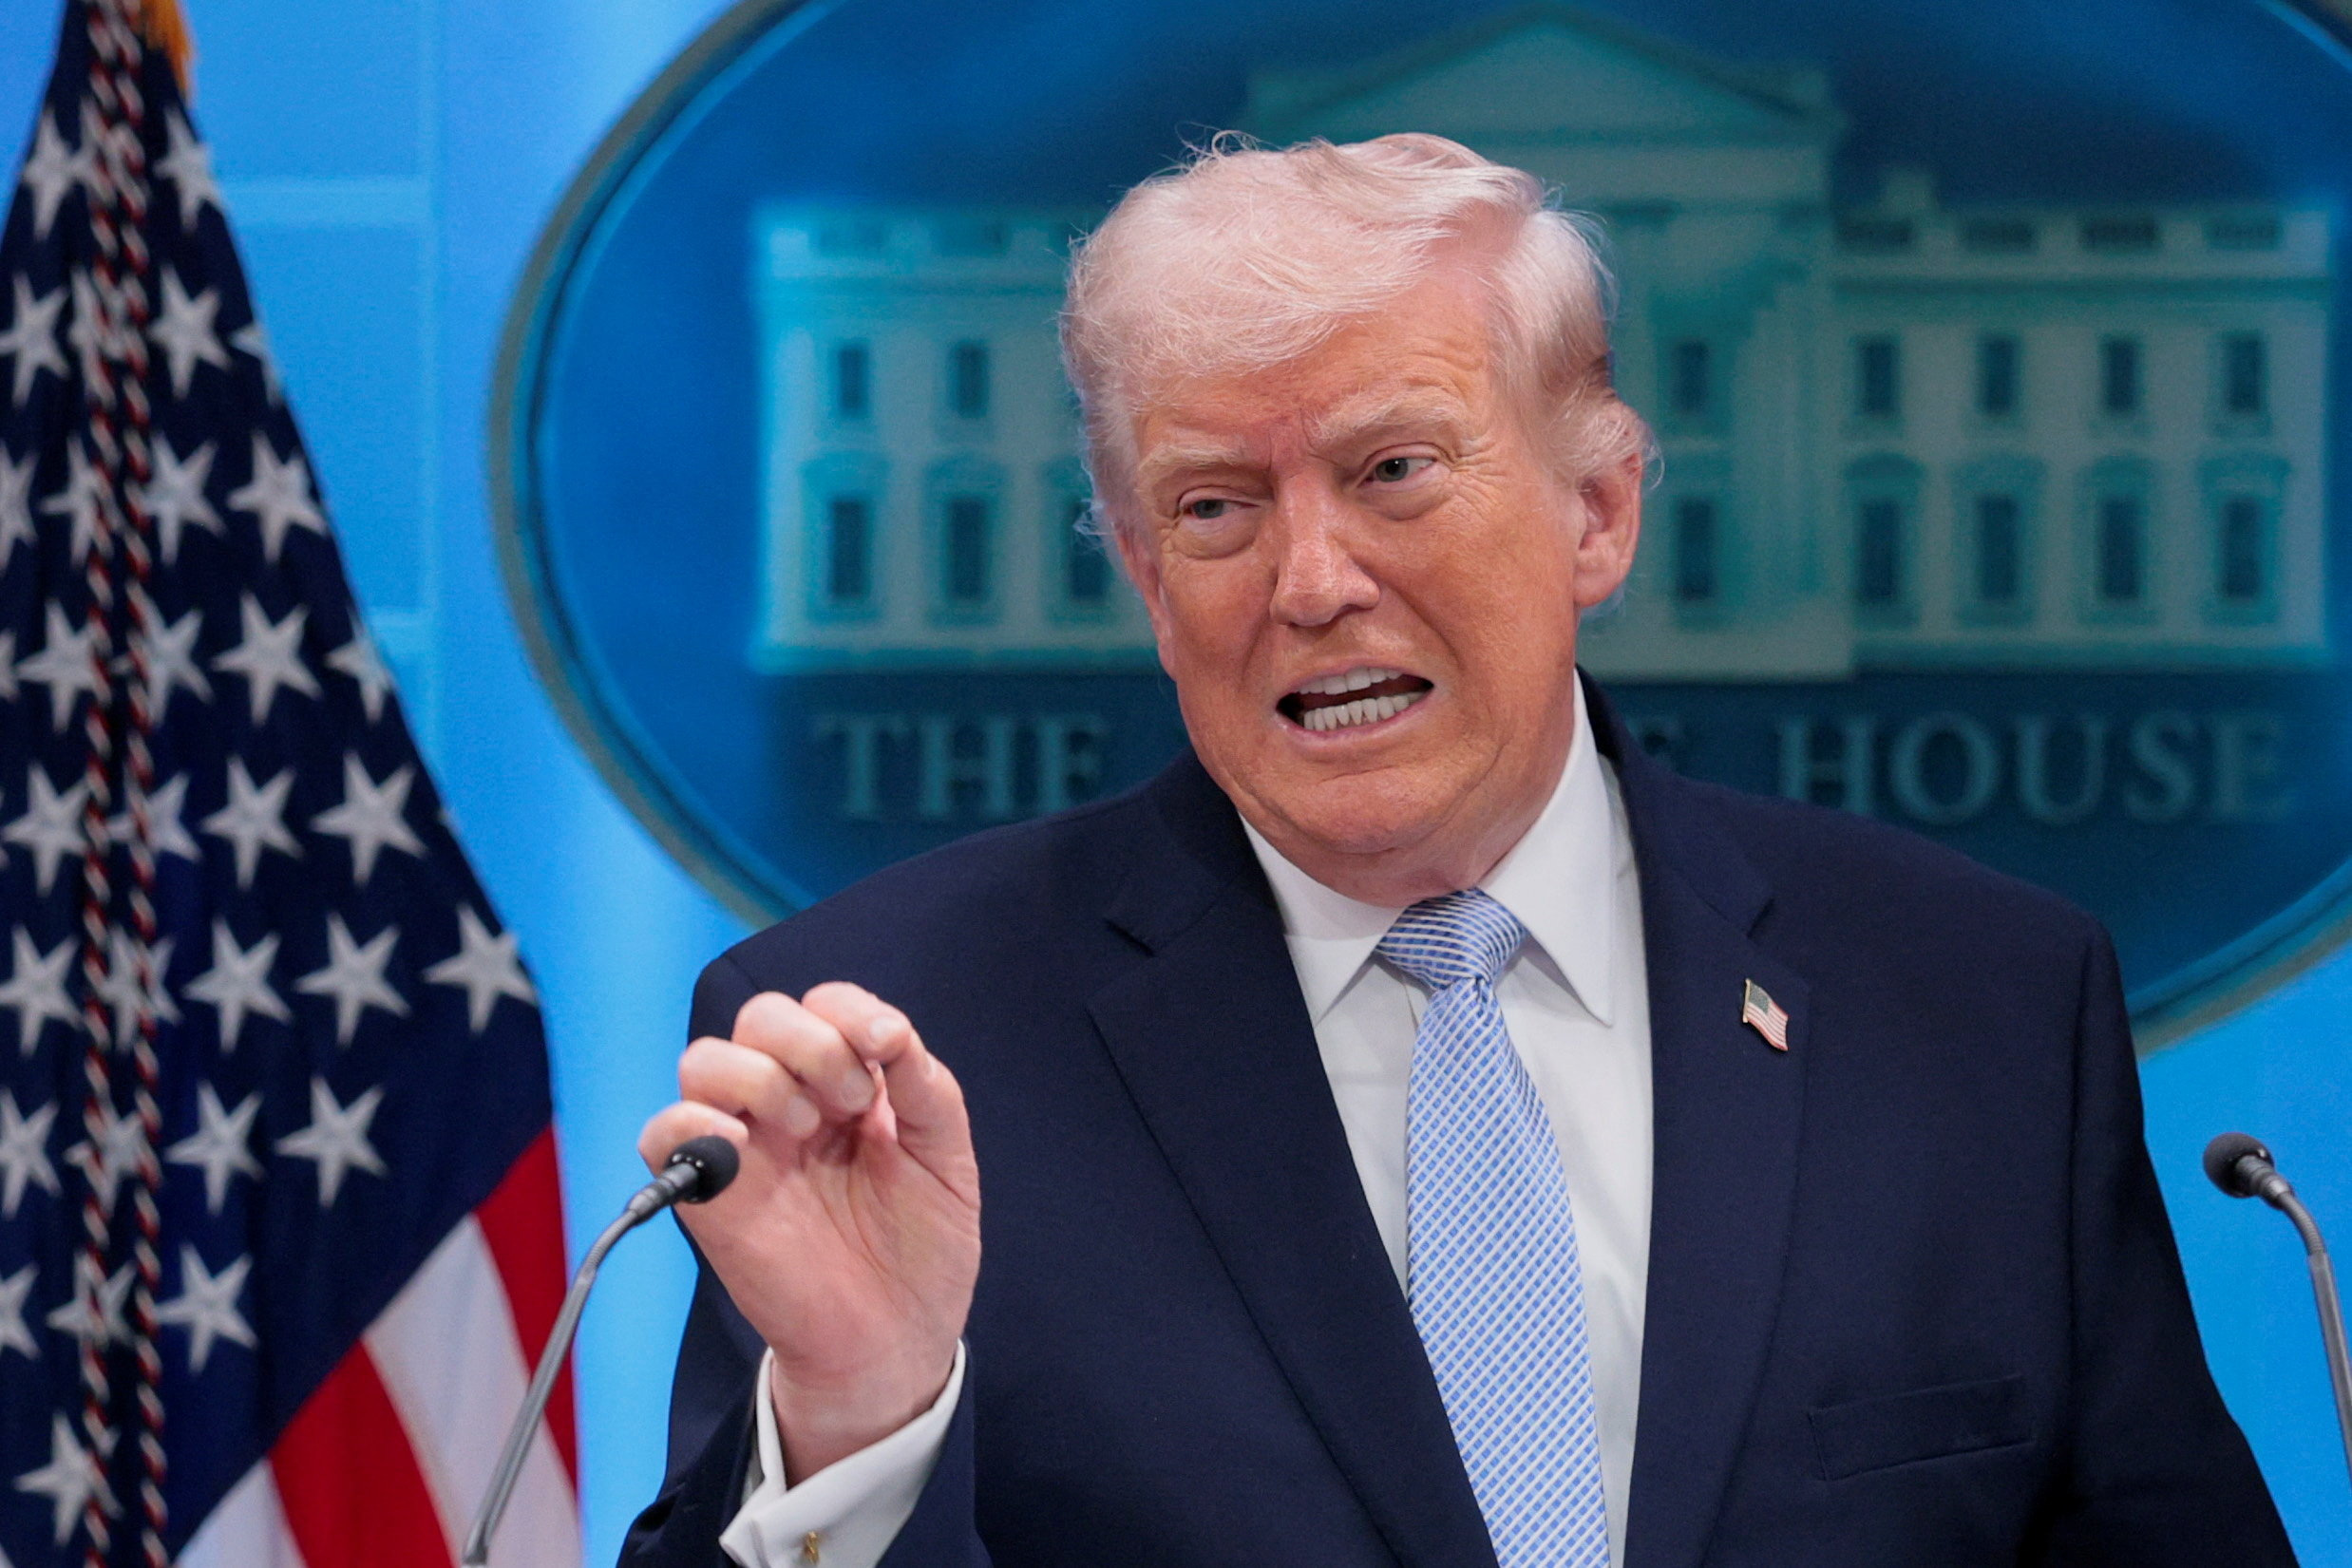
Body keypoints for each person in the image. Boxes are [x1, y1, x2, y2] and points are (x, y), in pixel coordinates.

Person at [620, 135, 2294, 1567]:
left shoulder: (1983, 1006)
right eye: (1215, 507)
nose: (1311, 582)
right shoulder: (890, 1050)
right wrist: (862, 1418)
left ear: (1597, 513)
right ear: (1146, 576)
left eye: (1394, 470)